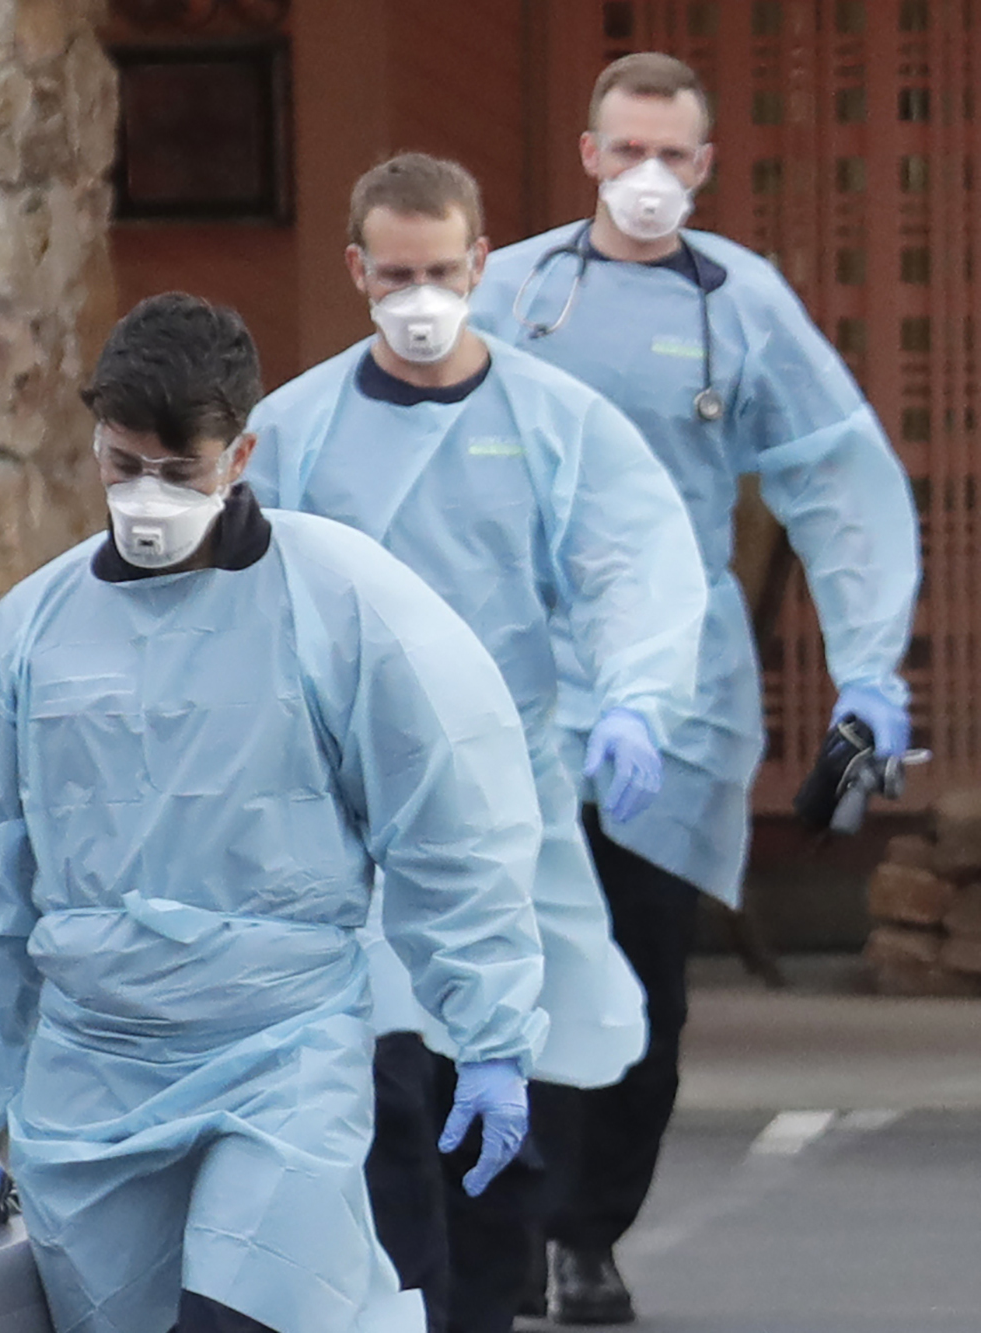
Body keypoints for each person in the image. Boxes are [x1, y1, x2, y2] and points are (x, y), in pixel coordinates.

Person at [0, 291, 553, 1333]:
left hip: (278, 1047)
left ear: (239, 452)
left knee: (248, 1313)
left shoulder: (340, 603)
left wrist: (488, 1030)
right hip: (90, 1072)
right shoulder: (36, 631)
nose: (146, 496)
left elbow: (448, 817)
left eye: (178, 470)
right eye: (122, 466)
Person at [469, 53, 920, 1323]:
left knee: (641, 977)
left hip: (674, 693)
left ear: (704, 167)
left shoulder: (742, 305)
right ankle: (496, 1227)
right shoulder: (510, 293)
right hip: (518, 679)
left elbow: (837, 479)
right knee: (506, 966)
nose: (648, 178)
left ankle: (584, 1235)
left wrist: (869, 665)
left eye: (674, 157)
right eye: (627, 152)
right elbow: (403, 453)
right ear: (587, 154)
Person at [243, 153, 707, 1333]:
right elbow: (231, 600)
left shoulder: (553, 423)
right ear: (356, 270)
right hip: (342, 822)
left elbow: (633, 561)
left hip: (506, 814)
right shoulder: (293, 431)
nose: (416, 295)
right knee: (384, 1106)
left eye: (438, 271)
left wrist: (635, 698)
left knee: (506, 1116)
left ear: (479, 265)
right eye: (393, 273)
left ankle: (489, 1305)